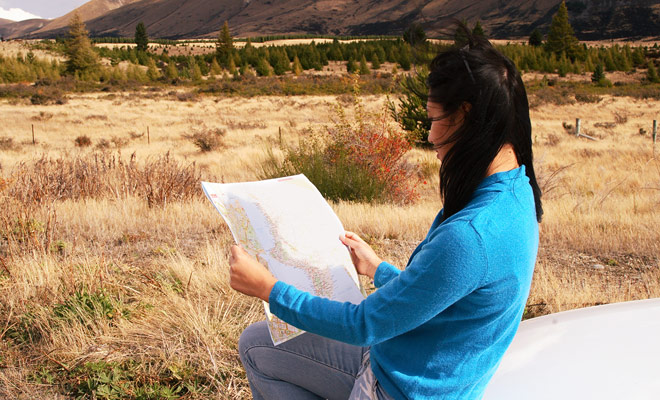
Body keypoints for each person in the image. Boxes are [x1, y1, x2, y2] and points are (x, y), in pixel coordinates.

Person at [228, 26, 543, 400]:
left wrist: (269, 289)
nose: (429, 136)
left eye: (433, 119)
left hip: (394, 386)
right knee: (258, 342)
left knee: (254, 347)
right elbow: (442, 294)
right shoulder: (515, 194)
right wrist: (379, 270)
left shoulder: (471, 236)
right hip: (422, 370)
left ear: (466, 117)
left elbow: (364, 324)